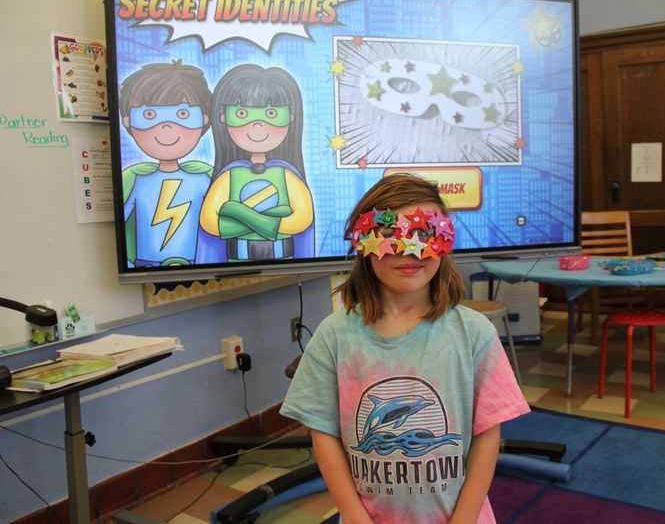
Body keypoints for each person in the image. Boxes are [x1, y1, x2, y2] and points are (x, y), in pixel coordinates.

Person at [280, 173, 530, 523]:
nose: (408, 249)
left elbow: (487, 435)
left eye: (424, 234)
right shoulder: (334, 335)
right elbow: (323, 432)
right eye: (388, 234)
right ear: (363, 242)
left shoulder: (475, 333)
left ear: (444, 240)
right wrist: (354, 515)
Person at [200, 65, 315, 262]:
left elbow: (303, 219)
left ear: (291, 119)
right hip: (237, 258)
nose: (257, 126)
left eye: (271, 114)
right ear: (223, 118)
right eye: (242, 114)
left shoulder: (286, 175)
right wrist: (274, 217)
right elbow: (209, 221)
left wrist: (235, 211)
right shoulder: (230, 175)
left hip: (283, 255)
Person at [119, 60, 219, 266]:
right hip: (146, 264)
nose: (166, 127)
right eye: (149, 115)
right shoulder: (135, 180)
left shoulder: (205, 177)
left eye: (183, 115)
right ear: (128, 121)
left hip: (198, 263)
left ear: (204, 119)